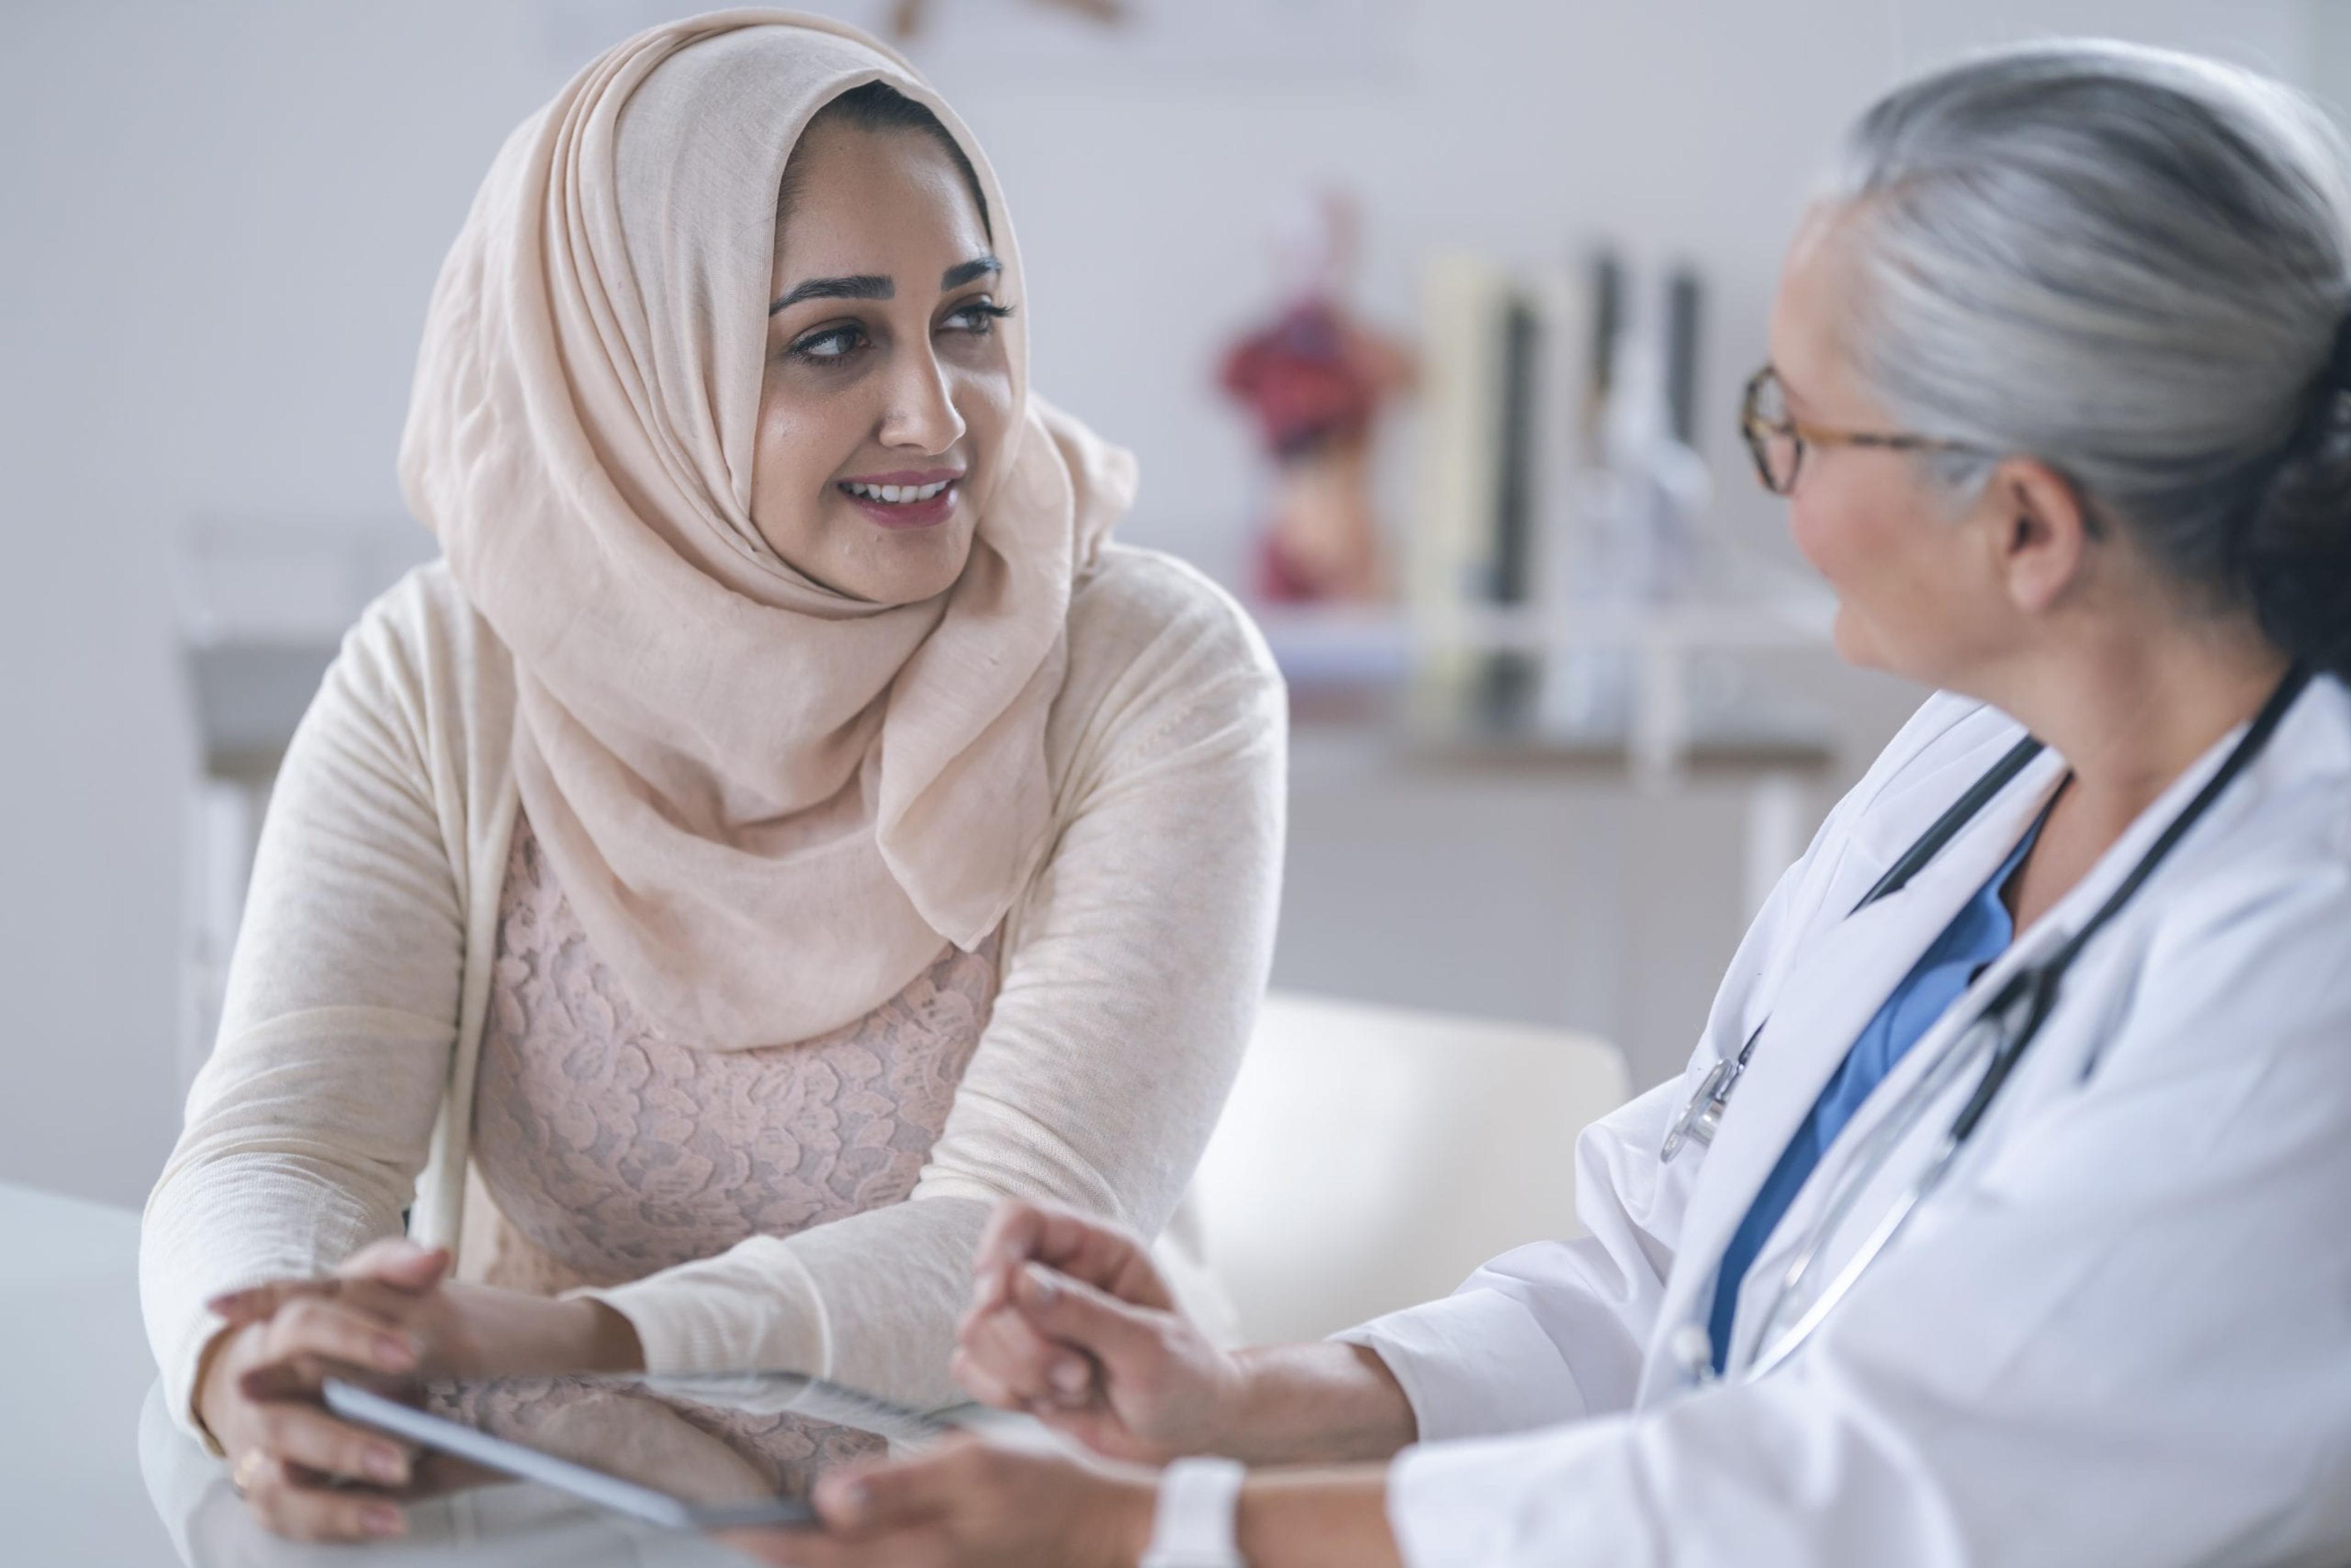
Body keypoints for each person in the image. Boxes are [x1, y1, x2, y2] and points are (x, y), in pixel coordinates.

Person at [732, 40, 2351, 1568]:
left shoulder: (2303, 961)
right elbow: (1671, 1268)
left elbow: (1855, 1500)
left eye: (1795, 426)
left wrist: (1164, 1532)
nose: (1768, 476)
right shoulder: (1978, 763)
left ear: (2027, 527)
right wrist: (1255, 1405)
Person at [137, 11, 1284, 1545]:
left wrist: (578, 1346)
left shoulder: (1152, 674)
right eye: (834, 340)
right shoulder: (448, 672)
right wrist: (251, 1350)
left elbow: (1013, 1259)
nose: (939, 416)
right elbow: (279, 1143)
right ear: (628, 374)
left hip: (1007, 1506)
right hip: (570, 1494)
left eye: (969, 318)